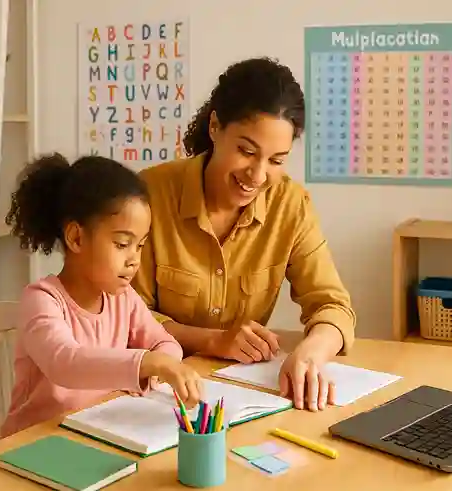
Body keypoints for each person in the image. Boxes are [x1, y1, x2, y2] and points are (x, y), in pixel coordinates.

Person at [133, 57, 356, 413]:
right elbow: (127, 318)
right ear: (215, 127)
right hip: (154, 394)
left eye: (277, 161)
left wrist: (310, 354)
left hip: (245, 399)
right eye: (246, 151)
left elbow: (332, 306)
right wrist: (213, 340)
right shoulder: (148, 195)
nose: (258, 174)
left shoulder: (290, 205)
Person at [0, 153, 203, 437]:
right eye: (122, 244)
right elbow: (66, 364)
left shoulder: (123, 298)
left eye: (140, 245)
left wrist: (162, 364)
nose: (134, 259)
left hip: (95, 432)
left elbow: (165, 344)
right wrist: (147, 363)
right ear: (77, 238)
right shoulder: (42, 300)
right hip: (31, 443)